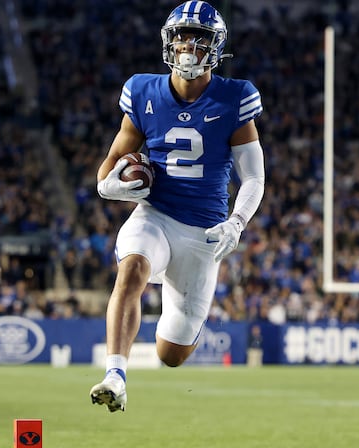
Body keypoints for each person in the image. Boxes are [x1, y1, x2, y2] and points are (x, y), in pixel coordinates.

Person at [89, 1, 265, 412]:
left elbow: (253, 176)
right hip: (156, 215)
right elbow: (113, 160)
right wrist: (107, 186)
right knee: (130, 269)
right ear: (169, 41)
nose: (189, 45)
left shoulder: (234, 97)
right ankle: (116, 374)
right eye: (183, 36)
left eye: (199, 38)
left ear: (216, 47)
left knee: (171, 354)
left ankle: (186, 316)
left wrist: (237, 222)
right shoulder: (143, 91)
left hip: (204, 231)